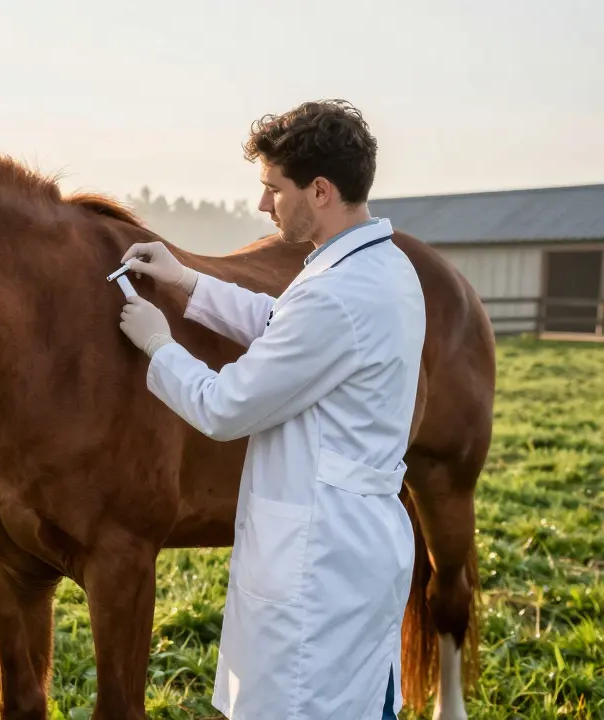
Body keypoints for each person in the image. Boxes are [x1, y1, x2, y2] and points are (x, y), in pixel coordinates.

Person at [117, 99, 423, 720]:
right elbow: (283, 326)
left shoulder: (337, 294)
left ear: (319, 190)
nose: (263, 205)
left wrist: (158, 345)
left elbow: (225, 408)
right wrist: (186, 282)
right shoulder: (380, 266)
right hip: (354, 544)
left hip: (322, 556)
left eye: (272, 189)